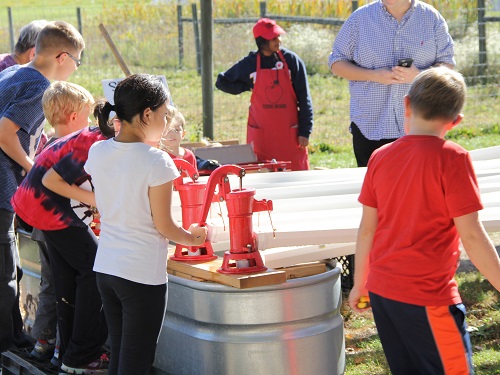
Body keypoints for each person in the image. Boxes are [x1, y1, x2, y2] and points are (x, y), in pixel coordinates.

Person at [349, 66, 500, 374]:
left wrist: (359, 283)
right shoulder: (453, 158)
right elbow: (471, 236)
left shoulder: (379, 156)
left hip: (383, 294)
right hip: (428, 298)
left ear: (407, 104)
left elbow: (367, 230)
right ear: (456, 121)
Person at [84, 74, 207, 375]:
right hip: (140, 275)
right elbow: (164, 226)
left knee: (121, 354)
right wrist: (194, 239)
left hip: (107, 268)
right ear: (147, 114)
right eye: (164, 115)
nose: (166, 124)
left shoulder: (97, 151)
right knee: (136, 361)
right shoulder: (157, 161)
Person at [11, 85, 111, 373]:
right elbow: (51, 182)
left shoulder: (78, 137)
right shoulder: (92, 142)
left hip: (37, 213)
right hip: (51, 213)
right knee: (96, 271)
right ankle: (83, 354)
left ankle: (67, 352)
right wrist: (96, 201)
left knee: (66, 280)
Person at [0, 20, 84, 354]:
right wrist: (32, 167)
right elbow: (5, 132)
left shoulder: (14, 72)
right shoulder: (40, 86)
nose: (76, 68)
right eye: (77, 61)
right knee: (5, 271)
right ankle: (9, 343)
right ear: (62, 57)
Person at [328, 0, 455, 167]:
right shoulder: (359, 19)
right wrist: (373, 75)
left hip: (422, 126)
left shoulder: (431, 18)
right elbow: (336, 63)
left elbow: (447, 63)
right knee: (375, 189)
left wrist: (419, 75)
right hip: (370, 125)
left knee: (417, 189)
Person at [27, 81, 95, 367]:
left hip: (43, 227)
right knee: (80, 278)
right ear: (73, 117)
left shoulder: (48, 143)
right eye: (88, 115)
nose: (90, 122)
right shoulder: (70, 147)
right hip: (59, 226)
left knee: (57, 284)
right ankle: (72, 351)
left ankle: (55, 349)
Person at [216, 18, 313, 171]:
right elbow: (222, 82)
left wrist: (305, 131)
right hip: (262, 134)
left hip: (289, 134)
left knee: (294, 175)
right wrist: (247, 86)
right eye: (273, 38)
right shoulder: (250, 63)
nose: (278, 40)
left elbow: (304, 98)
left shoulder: (292, 61)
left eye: (278, 36)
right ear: (262, 42)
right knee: (263, 173)